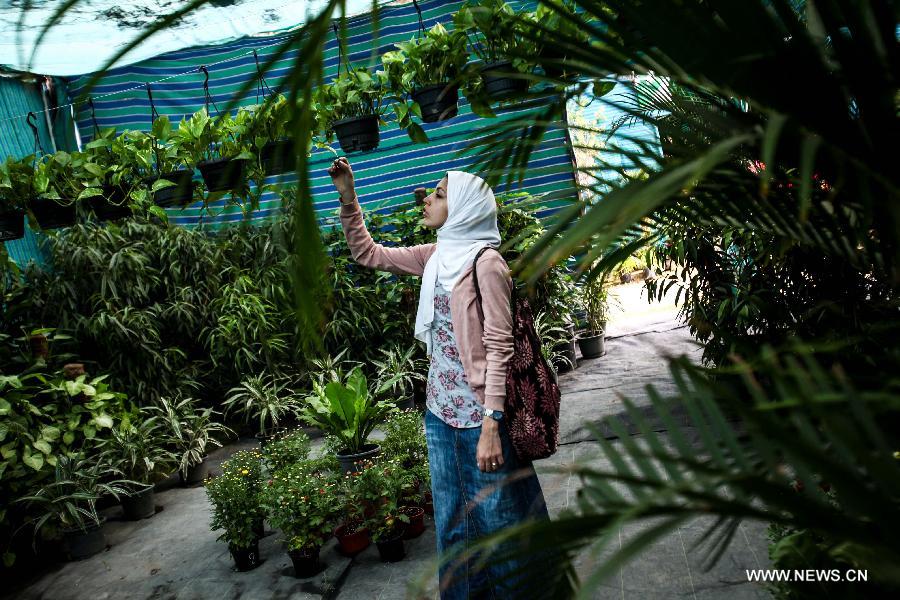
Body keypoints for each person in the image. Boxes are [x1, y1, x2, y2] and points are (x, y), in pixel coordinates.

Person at [327, 157, 550, 599]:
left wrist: (491, 425)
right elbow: (368, 253)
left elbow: (500, 346)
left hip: (481, 418)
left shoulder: (485, 264)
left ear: (464, 207)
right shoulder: (435, 257)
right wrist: (348, 197)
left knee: (498, 525)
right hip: (439, 416)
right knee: (453, 525)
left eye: (440, 194)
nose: (428, 199)